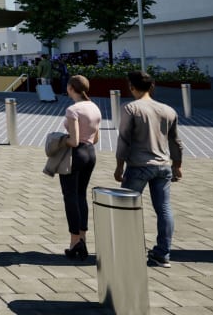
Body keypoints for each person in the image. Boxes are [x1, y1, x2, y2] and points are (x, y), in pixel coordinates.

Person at [116, 71, 184, 268]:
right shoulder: (168, 110)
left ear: (132, 87)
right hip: (163, 166)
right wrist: (177, 166)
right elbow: (176, 141)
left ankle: (127, 250)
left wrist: (119, 166)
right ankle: (163, 253)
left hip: (138, 165)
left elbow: (124, 140)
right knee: (164, 209)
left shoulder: (130, 109)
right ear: (152, 87)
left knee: (125, 209)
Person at [58, 75, 102, 260]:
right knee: (81, 195)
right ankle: (83, 237)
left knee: (70, 196)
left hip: (76, 155)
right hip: (91, 153)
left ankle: (74, 241)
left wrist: (59, 141)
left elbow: (74, 141)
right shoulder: (94, 106)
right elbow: (96, 137)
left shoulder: (73, 110)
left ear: (70, 88)